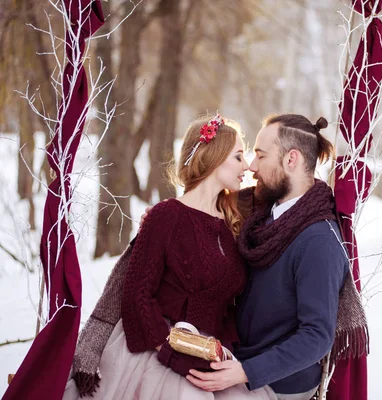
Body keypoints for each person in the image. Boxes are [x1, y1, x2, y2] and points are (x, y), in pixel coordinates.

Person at [63, 115, 275, 400]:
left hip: (209, 352)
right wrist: (170, 350)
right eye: (238, 156)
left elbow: (287, 197)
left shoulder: (232, 221)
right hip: (157, 348)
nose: (247, 166)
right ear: (214, 157)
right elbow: (138, 294)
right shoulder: (166, 216)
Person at [185, 114, 350, 400]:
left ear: (291, 160)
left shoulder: (319, 241)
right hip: (238, 355)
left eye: (260, 156)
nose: (251, 166)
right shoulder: (261, 211)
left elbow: (317, 336)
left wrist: (245, 372)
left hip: (279, 382)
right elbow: (207, 206)